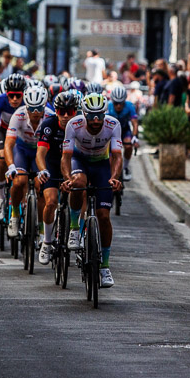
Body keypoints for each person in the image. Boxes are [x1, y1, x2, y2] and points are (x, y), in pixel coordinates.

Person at [62, 93, 124, 287]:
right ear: (84, 113)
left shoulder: (113, 124)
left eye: (100, 115)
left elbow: (117, 156)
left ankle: (104, 267)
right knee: (78, 182)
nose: (96, 120)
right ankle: (74, 228)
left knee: (104, 216)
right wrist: (67, 179)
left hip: (101, 165)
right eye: (92, 116)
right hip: (79, 161)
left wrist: (114, 178)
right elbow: (65, 157)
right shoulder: (74, 124)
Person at [36, 90, 80, 265]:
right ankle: (47, 241)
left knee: (81, 192)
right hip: (53, 163)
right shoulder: (49, 124)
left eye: (70, 111)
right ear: (56, 111)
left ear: (76, 111)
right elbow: (40, 153)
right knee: (51, 201)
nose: (66, 116)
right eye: (62, 111)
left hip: (73, 163)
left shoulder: (80, 125)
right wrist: (42, 170)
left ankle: (78, 231)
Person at [4, 84, 49, 238]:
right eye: (31, 109)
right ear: (26, 106)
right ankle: (15, 215)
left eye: (39, 109)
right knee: (18, 181)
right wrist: (10, 166)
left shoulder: (50, 116)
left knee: (41, 187)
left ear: (44, 106)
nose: (35, 113)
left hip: (40, 152)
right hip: (22, 150)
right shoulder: (18, 115)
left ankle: (43, 229)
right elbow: (9, 144)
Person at [0, 75, 27, 222]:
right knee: (0, 158)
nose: (14, 100)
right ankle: (0, 197)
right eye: (11, 96)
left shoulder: (27, 102)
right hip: (4, 132)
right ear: (6, 93)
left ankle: (23, 201)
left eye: (18, 96)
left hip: (20, 134)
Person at [107, 85, 139, 181]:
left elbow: (135, 123)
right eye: (116, 103)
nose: (118, 106)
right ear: (112, 101)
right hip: (111, 132)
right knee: (110, 154)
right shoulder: (108, 106)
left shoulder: (129, 106)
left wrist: (135, 136)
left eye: (121, 103)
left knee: (129, 146)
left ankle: (124, 167)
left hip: (124, 130)